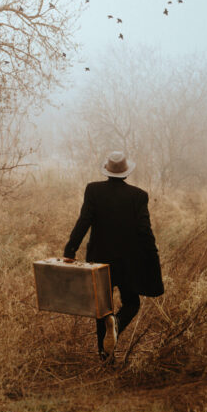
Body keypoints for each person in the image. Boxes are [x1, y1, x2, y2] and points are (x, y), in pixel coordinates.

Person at [63, 150, 164, 361]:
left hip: (99, 260)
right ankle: (117, 324)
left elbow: (83, 222)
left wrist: (70, 251)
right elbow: (145, 231)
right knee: (132, 303)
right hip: (128, 262)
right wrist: (152, 257)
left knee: (102, 308)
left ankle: (105, 357)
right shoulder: (138, 196)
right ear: (126, 173)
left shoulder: (93, 191)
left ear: (107, 171)